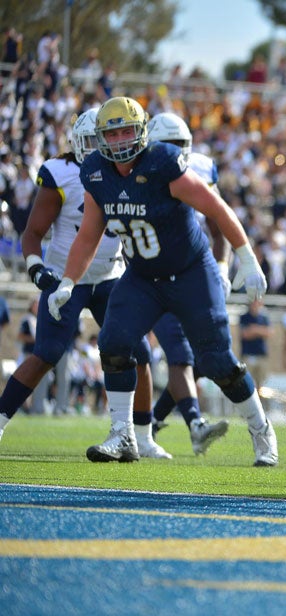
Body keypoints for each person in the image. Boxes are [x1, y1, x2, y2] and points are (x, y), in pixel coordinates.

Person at [46, 96, 277, 466]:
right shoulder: (95, 171)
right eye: (112, 133)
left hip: (190, 272)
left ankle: (261, 430)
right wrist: (68, 282)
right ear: (100, 137)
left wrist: (246, 259)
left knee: (216, 360)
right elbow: (89, 234)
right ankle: (123, 435)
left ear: (141, 132)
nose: (120, 140)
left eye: (127, 131)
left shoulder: (163, 164)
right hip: (142, 276)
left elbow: (216, 208)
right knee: (114, 343)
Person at [0, 110, 157, 453]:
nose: (97, 149)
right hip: (66, 277)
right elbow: (32, 233)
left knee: (138, 351)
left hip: (111, 276)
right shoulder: (61, 174)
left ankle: (140, 437)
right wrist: (36, 269)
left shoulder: (130, 171)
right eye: (89, 142)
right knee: (47, 353)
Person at [145, 111, 230, 457]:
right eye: (166, 145)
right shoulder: (136, 171)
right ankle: (194, 424)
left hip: (191, 275)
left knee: (196, 360)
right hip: (151, 276)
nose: (172, 151)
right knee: (180, 354)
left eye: (179, 145)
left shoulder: (201, 167)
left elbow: (217, 222)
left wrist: (222, 267)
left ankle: (151, 422)